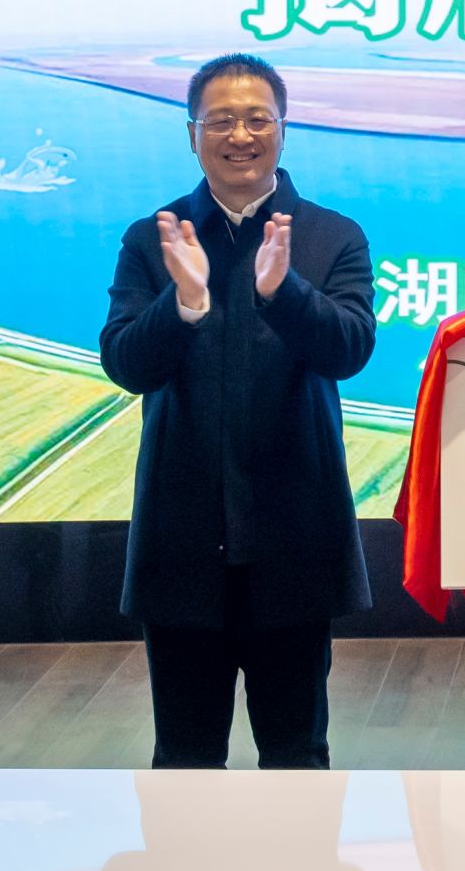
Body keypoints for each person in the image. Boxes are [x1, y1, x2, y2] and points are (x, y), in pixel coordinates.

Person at [100, 52, 374, 768]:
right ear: (192, 134)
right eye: (221, 121)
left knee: (297, 756)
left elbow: (349, 350)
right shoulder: (154, 239)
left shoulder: (331, 235)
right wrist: (184, 301)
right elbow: (126, 364)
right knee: (184, 761)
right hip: (182, 543)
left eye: (258, 119)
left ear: (283, 130)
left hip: (295, 540)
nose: (241, 136)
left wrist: (284, 292)